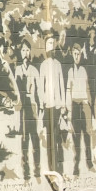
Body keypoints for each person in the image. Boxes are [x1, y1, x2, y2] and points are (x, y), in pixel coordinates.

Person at [37, 34, 69, 175]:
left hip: (56, 105)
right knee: (49, 134)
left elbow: (61, 84)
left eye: (52, 43)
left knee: (57, 134)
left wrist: (62, 104)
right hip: (47, 105)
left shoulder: (58, 64)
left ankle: (57, 164)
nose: (51, 46)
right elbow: (40, 85)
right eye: (48, 43)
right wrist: (42, 101)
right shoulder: (43, 65)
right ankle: (51, 164)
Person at [11, 41, 42, 183]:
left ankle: (37, 169)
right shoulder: (17, 70)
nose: (25, 53)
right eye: (23, 50)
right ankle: (26, 171)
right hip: (23, 107)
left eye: (27, 50)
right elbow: (15, 91)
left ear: (30, 52)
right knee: (24, 139)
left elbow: (39, 92)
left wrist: (40, 107)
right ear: (20, 52)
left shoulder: (34, 70)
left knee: (34, 138)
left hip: (33, 107)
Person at [66, 42, 95, 176]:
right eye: (75, 54)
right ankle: (76, 165)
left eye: (79, 54)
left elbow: (88, 89)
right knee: (76, 137)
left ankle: (89, 163)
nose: (77, 57)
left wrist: (89, 105)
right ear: (72, 55)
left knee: (87, 135)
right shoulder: (70, 71)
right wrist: (69, 111)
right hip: (74, 105)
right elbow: (68, 92)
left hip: (84, 105)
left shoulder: (83, 70)